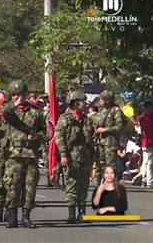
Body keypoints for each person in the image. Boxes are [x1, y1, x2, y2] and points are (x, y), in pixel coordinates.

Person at [2, 80, 45, 229]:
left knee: (30, 186)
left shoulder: (35, 111)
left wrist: (37, 136)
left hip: (31, 153)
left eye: (19, 94)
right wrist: (14, 104)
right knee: (13, 184)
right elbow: (4, 112)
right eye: (13, 95)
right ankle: (12, 216)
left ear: (25, 94)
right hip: (14, 154)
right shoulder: (8, 110)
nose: (16, 97)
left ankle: (26, 216)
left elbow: (45, 131)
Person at [56, 90, 94, 223]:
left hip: (85, 156)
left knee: (84, 185)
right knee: (72, 184)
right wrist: (63, 155)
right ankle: (71, 214)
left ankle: (82, 213)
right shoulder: (65, 119)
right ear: (77, 103)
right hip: (71, 155)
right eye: (83, 101)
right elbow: (59, 138)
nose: (85, 103)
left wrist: (92, 157)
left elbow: (90, 139)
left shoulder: (85, 119)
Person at [94, 90, 124, 184]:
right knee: (100, 163)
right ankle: (101, 183)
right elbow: (98, 120)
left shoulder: (115, 110)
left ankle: (112, 184)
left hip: (110, 142)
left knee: (110, 164)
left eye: (104, 99)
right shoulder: (102, 109)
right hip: (100, 141)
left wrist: (106, 129)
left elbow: (119, 126)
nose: (102, 101)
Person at [139, 101, 153, 188]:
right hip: (151, 142)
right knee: (150, 163)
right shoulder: (150, 119)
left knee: (145, 162)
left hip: (145, 142)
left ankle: (144, 180)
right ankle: (150, 181)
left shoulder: (142, 118)